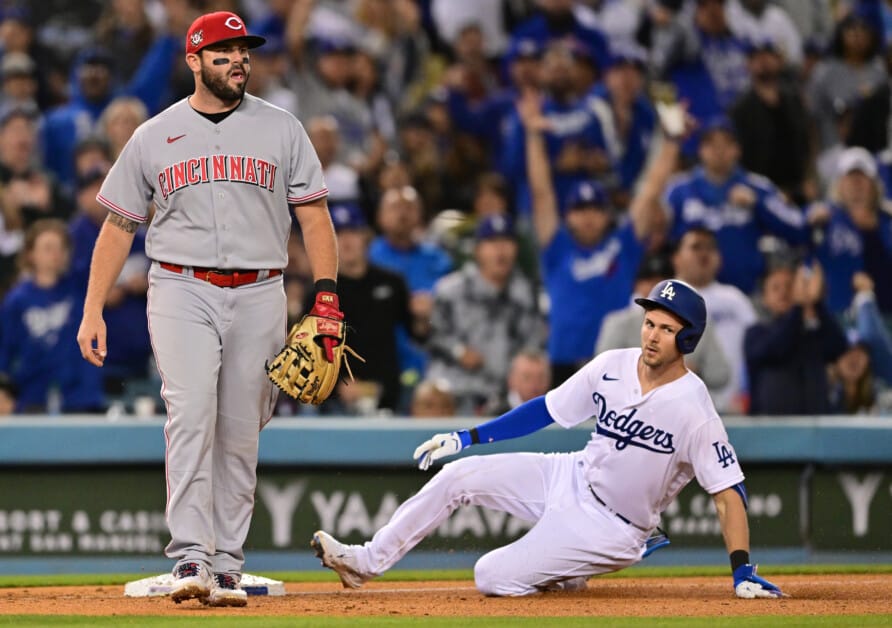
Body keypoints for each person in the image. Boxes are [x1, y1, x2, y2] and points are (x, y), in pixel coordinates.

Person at [75, 11, 340, 608]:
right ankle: (191, 555)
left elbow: (315, 216)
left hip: (260, 289)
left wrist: (326, 295)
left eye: (242, 51)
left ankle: (226, 565)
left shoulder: (282, 128)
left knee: (243, 427)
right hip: (180, 287)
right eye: (222, 53)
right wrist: (93, 308)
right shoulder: (154, 134)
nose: (237, 61)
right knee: (191, 412)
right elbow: (118, 227)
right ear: (193, 61)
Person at [312, 279, 785, 600]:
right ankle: (365, 562)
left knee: (490, 576)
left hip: (614, 527)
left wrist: (742, 569)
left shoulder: (694, 407)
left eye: (667, 328)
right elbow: (545, 410)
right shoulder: (612, 365)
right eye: (649, 322)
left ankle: (565, 573)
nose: (652, 335)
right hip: (572, 474)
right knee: (457, 476)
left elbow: (728, 493)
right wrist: (467, 437)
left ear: (688, 339)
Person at [597, 248, 731, 402]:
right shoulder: (618, 324)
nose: (658, 288)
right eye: (650, 280)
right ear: (637, 285)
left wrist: (688, 373)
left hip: (683, 409)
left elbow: (721, 375)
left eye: (663, 281)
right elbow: (604, 371)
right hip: (627, 410)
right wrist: (661, 370)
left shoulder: (697, 326)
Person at [744, 262, 848, 415]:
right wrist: (798, 308)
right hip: (769, 431)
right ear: (765, 297)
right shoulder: (755, 334)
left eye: (790, 286)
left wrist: (817, 304)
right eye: (775, 288)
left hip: (816, 430)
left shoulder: (812, 335)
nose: (784, 292)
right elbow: (777, 347)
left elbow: (839, 346)